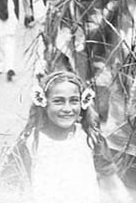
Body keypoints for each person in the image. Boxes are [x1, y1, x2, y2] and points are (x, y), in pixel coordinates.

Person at [10, 70, 117, 203]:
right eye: (58, 101)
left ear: (83, 102)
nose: (67, 109)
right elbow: (11, 189)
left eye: (74, 101)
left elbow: (111, 181)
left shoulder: (91, 139)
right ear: (43, 102)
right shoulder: (30, 143)